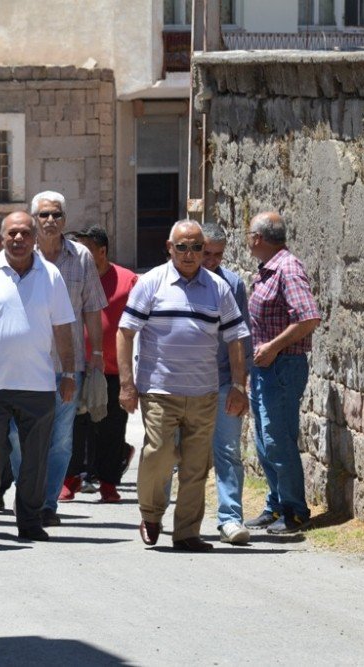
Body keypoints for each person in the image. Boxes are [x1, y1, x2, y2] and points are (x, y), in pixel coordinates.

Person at [117, 220, 250, 552]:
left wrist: (237, 384)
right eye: (182, 247)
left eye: (196, 248)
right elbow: (125, 332)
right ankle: (150, 513)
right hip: (160, 390)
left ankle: (187, 532)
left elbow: (235, 339)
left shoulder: (218, 289)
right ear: (169, 247)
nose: (189, 254)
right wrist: (126, 384)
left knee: (196, 465)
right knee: (158, 454)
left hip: (204, 392)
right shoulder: (151, 283)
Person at [0, 211, 76, 541]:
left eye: (25, 233)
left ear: (35, 236)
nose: (18, 239)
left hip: (39, 384)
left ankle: (28, 520)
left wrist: (68, 372)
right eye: (12, 233)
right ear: (2, 236)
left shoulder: (50, 275)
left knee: (34, 460)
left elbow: (63, 327)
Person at [31, 191, 107, 527]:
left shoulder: (82, 258)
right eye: (44, 214)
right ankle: (27, 496)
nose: (50, 221)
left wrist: (97, 356)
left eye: (56, 215)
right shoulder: (21, 254)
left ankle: (47, 503)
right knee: (22, 436)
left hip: (68, 365)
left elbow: (92, 309)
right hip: (28, 363)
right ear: (34, 218)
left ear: (65, 219)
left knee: (61, 437)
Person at [243, 211, 321, 535]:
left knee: (278, 441)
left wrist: (273, 347)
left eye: (249, 234)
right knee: (263, 442)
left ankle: (295, 511)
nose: (247, 240)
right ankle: (275, 506)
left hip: (282, 367)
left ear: (258, 238)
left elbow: (308, 318)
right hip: (264, 369)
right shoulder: (268, 269)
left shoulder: (287, 268)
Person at [67, 226, 138, 503]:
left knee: (111, 427)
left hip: (111, 369)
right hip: (74, 365)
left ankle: (108, 482)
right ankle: (69, 480)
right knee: (73, 425)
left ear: (102, 251)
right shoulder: (70, 278)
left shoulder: (128, 280)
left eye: (85, 251)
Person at [196, 222, 254, 544]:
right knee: (173, 451)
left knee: (229, 450)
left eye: (218, 255)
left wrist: (239, 386)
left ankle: (230, 519)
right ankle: (159, 514)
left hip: (221, 382)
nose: (212, 261)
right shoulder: (172, 282)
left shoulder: (233, 284)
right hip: (184, 383)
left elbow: (241, 340)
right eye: (206, 254)